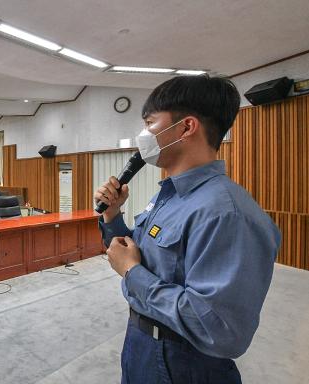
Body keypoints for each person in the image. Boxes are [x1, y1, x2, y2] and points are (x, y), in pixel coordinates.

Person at [95, 75, 281, 384]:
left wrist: (133, 273)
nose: (143, 135)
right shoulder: (168, 196)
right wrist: (112, 216)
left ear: (186, 127)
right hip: (142, 343)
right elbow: (133, 253)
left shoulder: (226, 213)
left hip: (184, 363)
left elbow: (220, 330)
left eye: (150, 123)